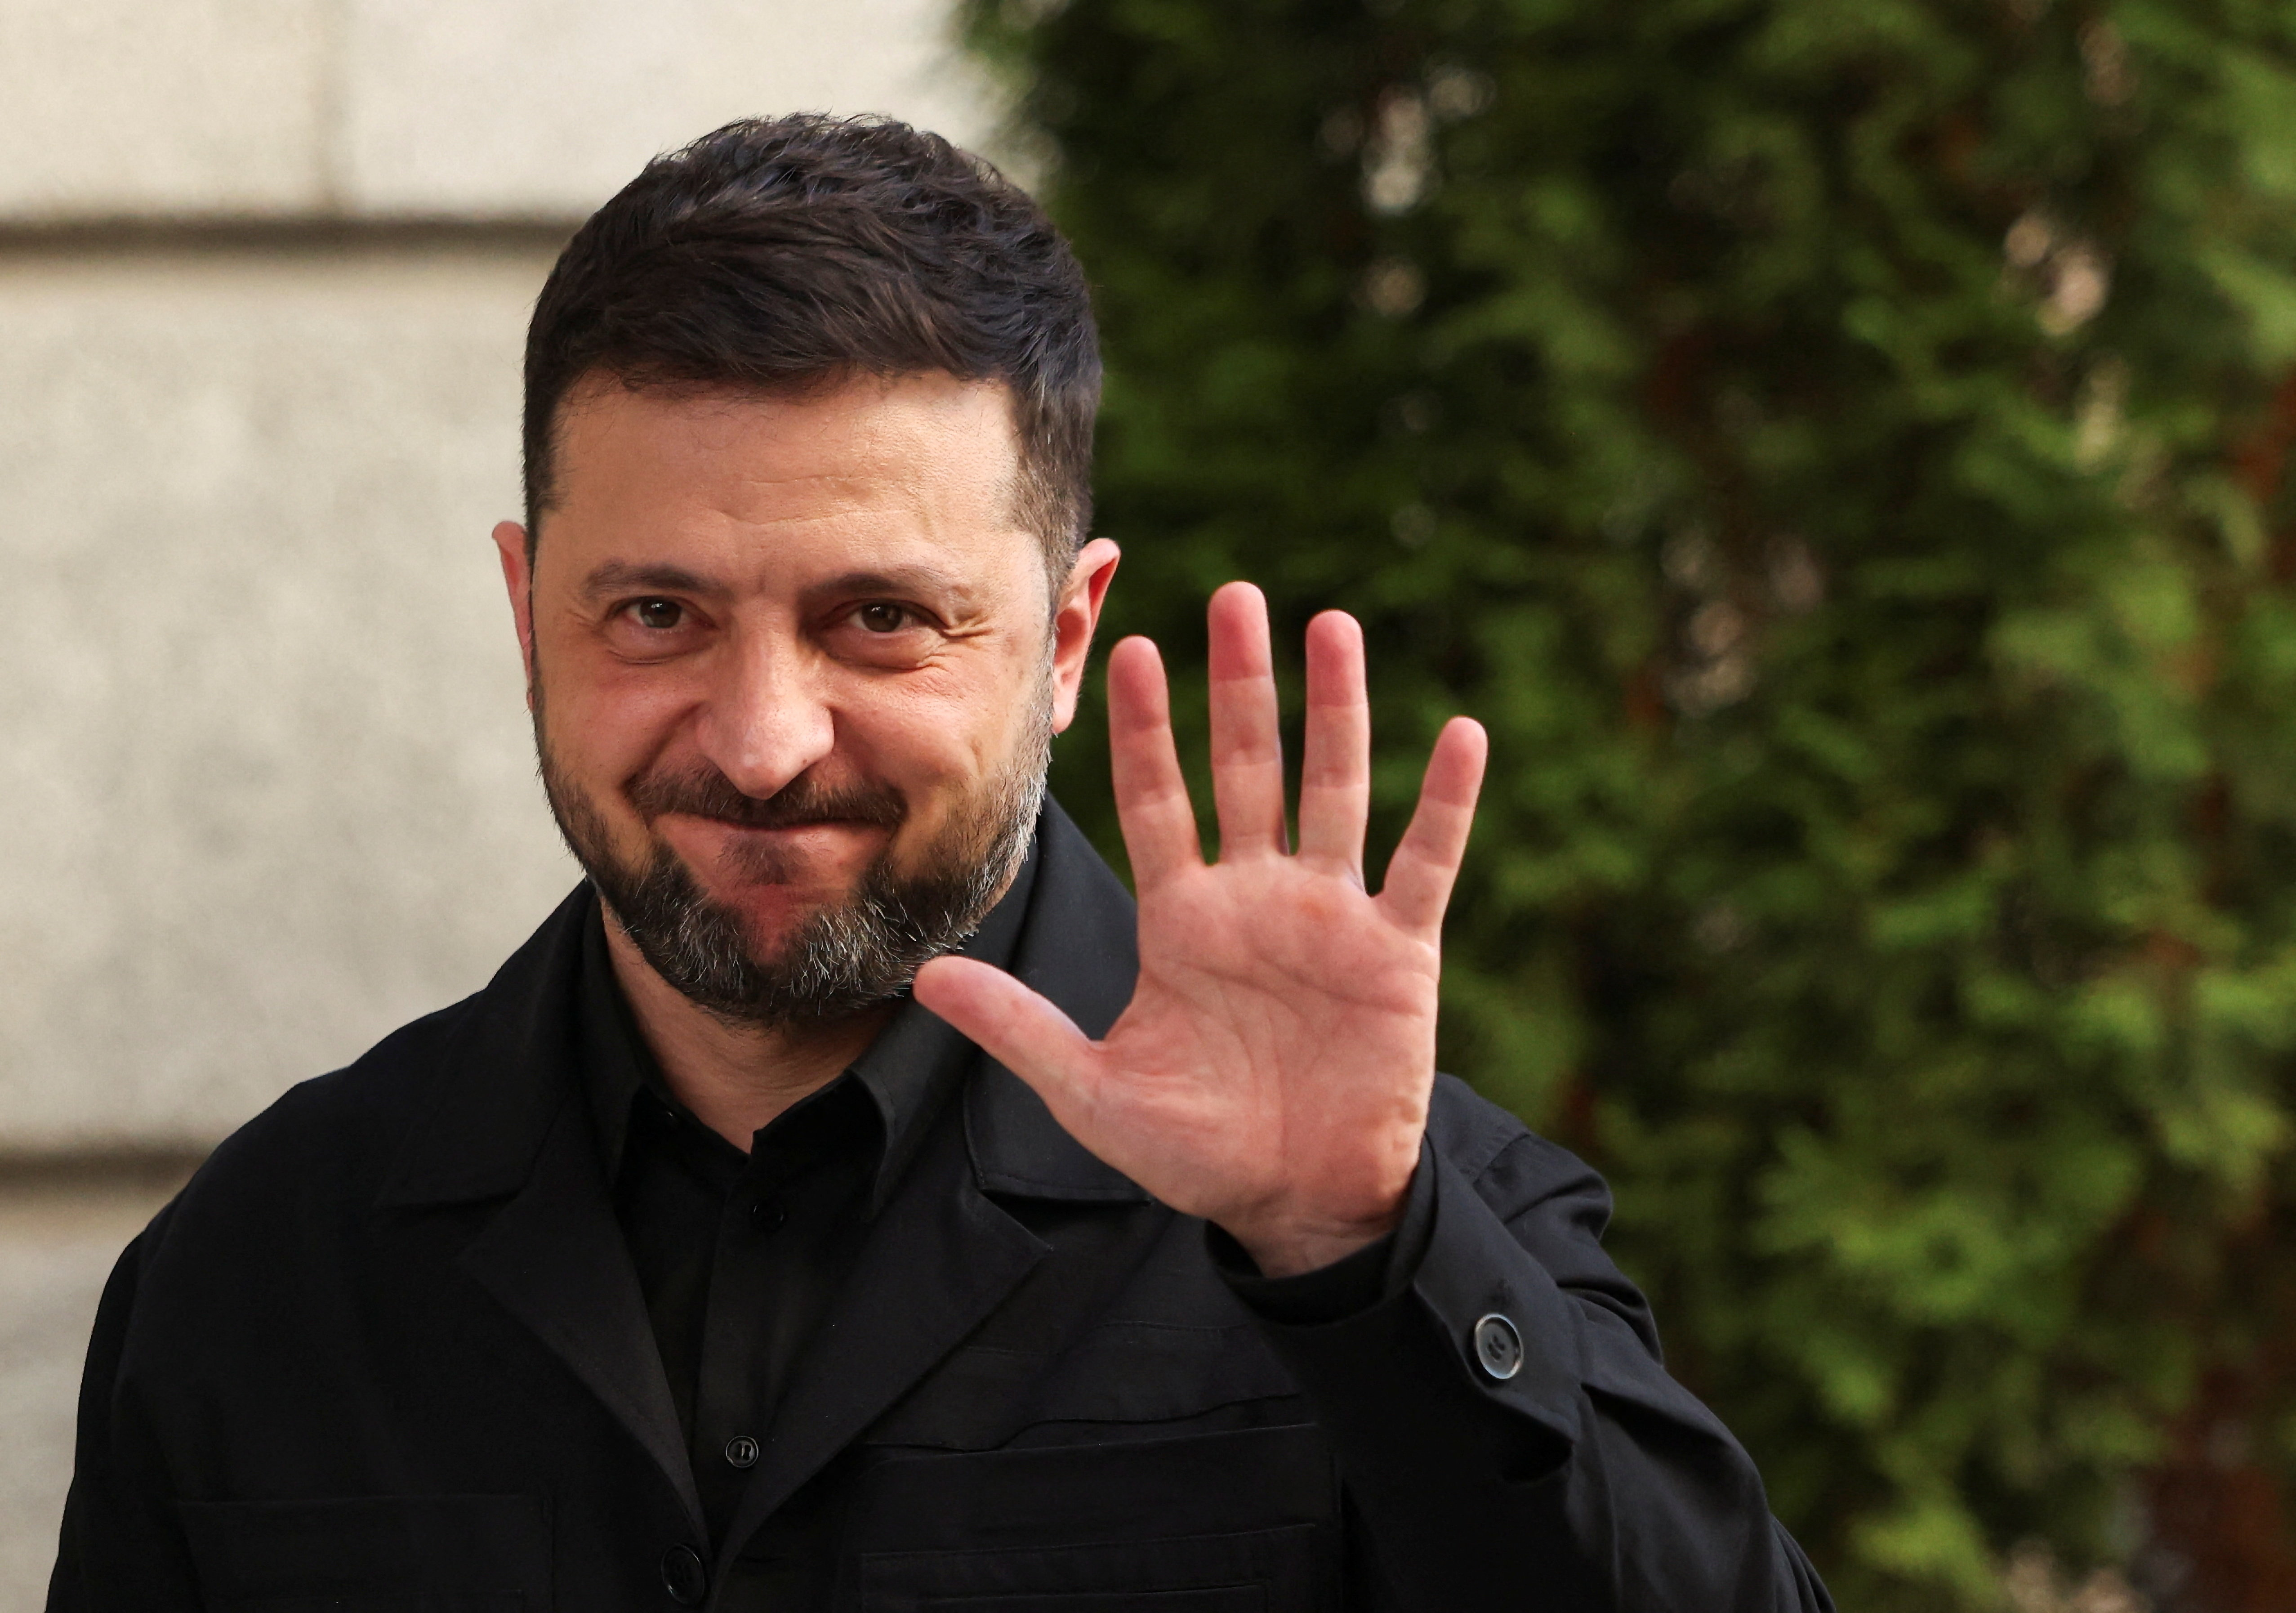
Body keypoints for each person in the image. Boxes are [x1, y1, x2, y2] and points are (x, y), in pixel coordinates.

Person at [48, 115, 1832, 1613]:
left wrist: (1359, 1262)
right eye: (656, 613)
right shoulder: (260, 1272)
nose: (758, 739)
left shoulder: (1379, 1226)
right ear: (530, 614)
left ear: (1062, 639)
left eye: (881, 619)